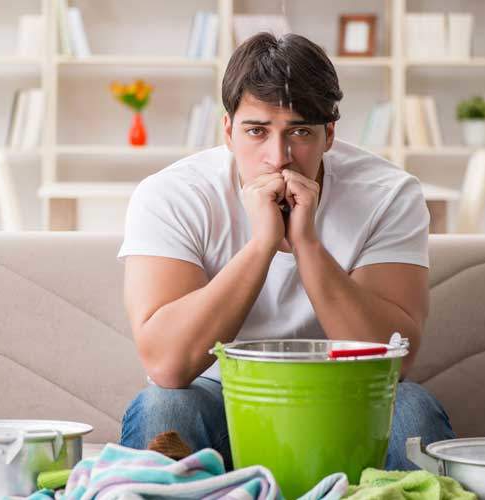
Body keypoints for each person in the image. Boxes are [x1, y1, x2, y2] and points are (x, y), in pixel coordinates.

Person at [117, 32, 455, 470]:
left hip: (344, 394)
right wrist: (261, 246)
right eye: (256, 131)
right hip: (218, 396)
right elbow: (168, 366)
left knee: (412, 408)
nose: (278, 158)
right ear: (227, 130)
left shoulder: (388, 194)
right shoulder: (172, 195)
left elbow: (394, 361)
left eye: (299, 132)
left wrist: (307, 244)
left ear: (329, 134)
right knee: (165, 406)